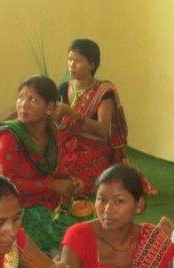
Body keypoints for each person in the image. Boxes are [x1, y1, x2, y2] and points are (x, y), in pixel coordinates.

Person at [0, 75, 86, 252]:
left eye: (33, 99)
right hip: (14, 209)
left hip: (47, 203)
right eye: (20, 97)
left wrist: (71, 180)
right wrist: (52, 185)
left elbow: (55, 167)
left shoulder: (51, 132)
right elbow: (6, 186)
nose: (23, 104)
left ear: (50, 107)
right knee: (57, 240)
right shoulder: (8, 137)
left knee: (84, 231)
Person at [56, 38, 151, 194]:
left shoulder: (103, 92)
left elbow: (102, 130)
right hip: (66, 143)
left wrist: (72, 114)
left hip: (92, 148)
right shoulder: (64, 88)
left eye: (78, 61)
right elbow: (57, 125)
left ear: (92, 65)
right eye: (69, 59)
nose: (71, 65)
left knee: (69, 169)